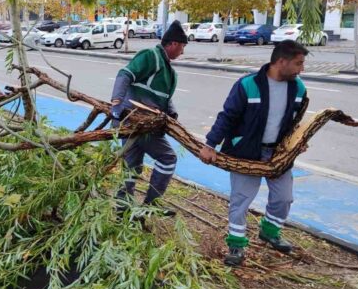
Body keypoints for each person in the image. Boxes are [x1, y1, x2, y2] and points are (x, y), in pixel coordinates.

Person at [200, 40, 309, 266]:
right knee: (241, 200)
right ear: (281, 61)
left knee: (284, 197)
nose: (301, 69)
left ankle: (270, 231)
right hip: (246, 152)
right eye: (298, 63)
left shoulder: (298, 88)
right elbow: (227, 116)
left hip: (278, 154)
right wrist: (210, 144)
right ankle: (236, 246)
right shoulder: (248, 85)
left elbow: (296, 121)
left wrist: (299, 142)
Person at [110, 20, 188, 216]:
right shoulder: (151, 56)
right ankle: (149, 206)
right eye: (182, 47)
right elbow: (124, 74)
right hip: (136, 121)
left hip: (147, 125)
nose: (183, 52)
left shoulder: (170, 71)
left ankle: (123, 211)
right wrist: (116, 106)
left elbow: (162, 98)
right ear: (173, 44)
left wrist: (172, 114)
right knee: (168, 158)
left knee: (131, 168)